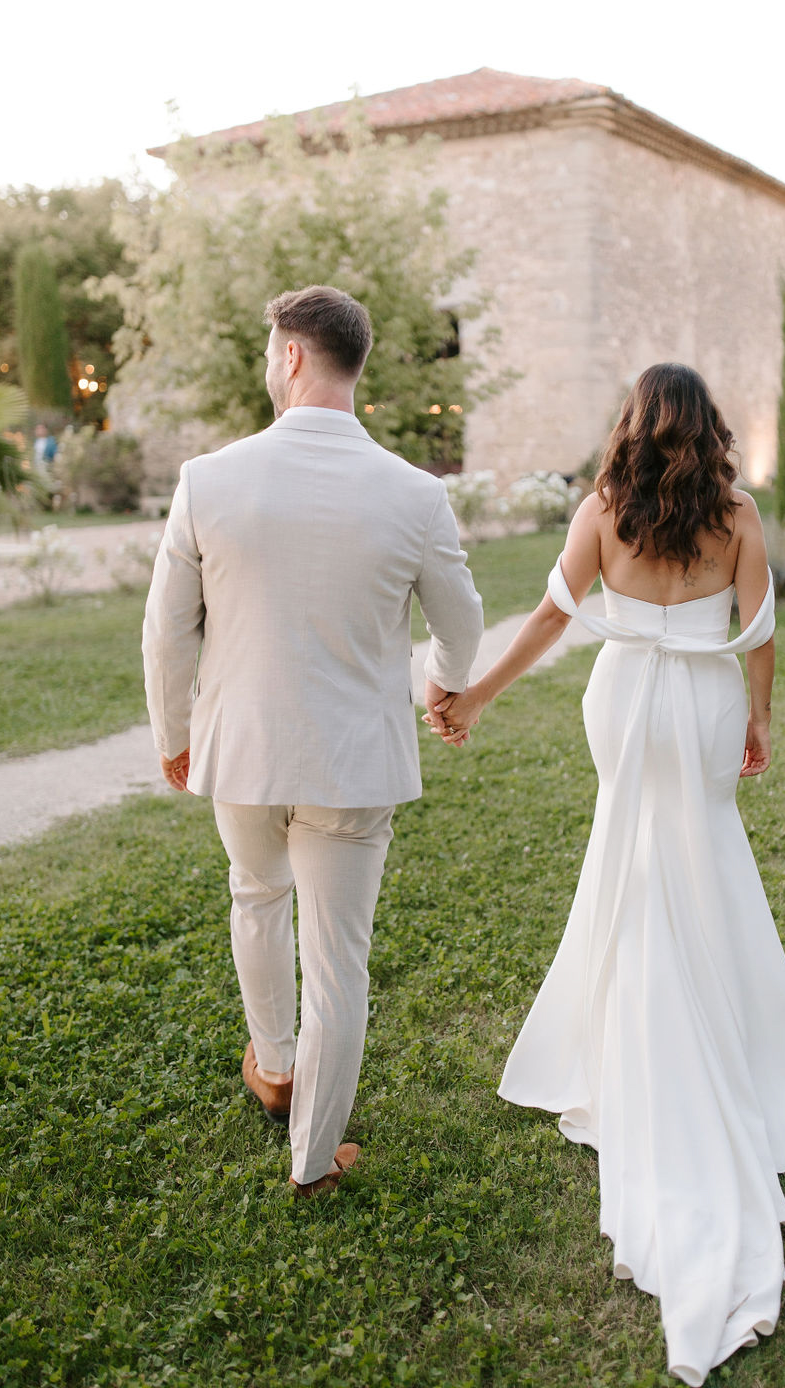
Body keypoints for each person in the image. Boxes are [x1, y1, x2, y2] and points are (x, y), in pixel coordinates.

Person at [429, 364, 785, 1385]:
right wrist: (757, 720)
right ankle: (714, 1040)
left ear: (630, 426)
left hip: (622, 704)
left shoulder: (602, 510)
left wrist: (475, 695)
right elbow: (758, 637)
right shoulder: (738, 514)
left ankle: (633, 1034)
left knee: (629, 848)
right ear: (706, 431)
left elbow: (548, 620)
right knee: (700, 857)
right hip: (702, 706)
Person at [143, 285, 484, 1196]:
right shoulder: (414, 493)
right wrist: (442, 683)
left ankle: (277, 1066)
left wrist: (176, 736)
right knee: (339, 958)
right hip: (353, 760)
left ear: (292, 356)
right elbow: (462, 617)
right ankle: (312, 1158)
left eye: (269, 352)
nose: (268, 366)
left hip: (240, 751)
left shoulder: (208, 480)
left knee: (256, 896)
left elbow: (166, 633)